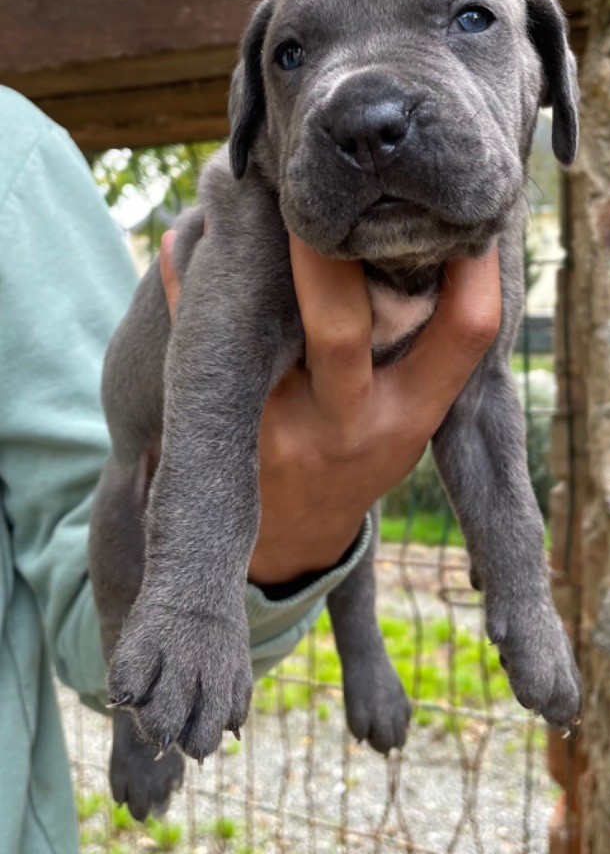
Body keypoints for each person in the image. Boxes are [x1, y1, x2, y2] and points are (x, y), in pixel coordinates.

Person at [0, 85, 501, 854]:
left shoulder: (13, 162)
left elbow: (81, 508)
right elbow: (127, 479)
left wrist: (305, 538)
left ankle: (359, 641)